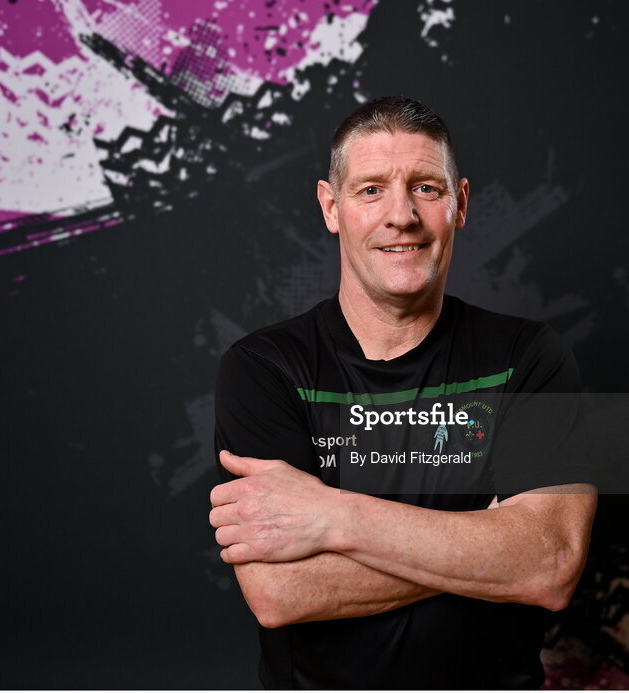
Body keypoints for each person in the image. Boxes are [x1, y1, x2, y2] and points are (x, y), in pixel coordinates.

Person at [210, 96, 596, 689]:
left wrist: (330, 516)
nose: (402, 216)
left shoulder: (528, 358)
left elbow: (549, 565)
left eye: (425, 188)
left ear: (460, 204)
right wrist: (489, 542)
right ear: (330, 207)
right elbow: (281, 591)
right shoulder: (265, 369)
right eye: (370, 190)